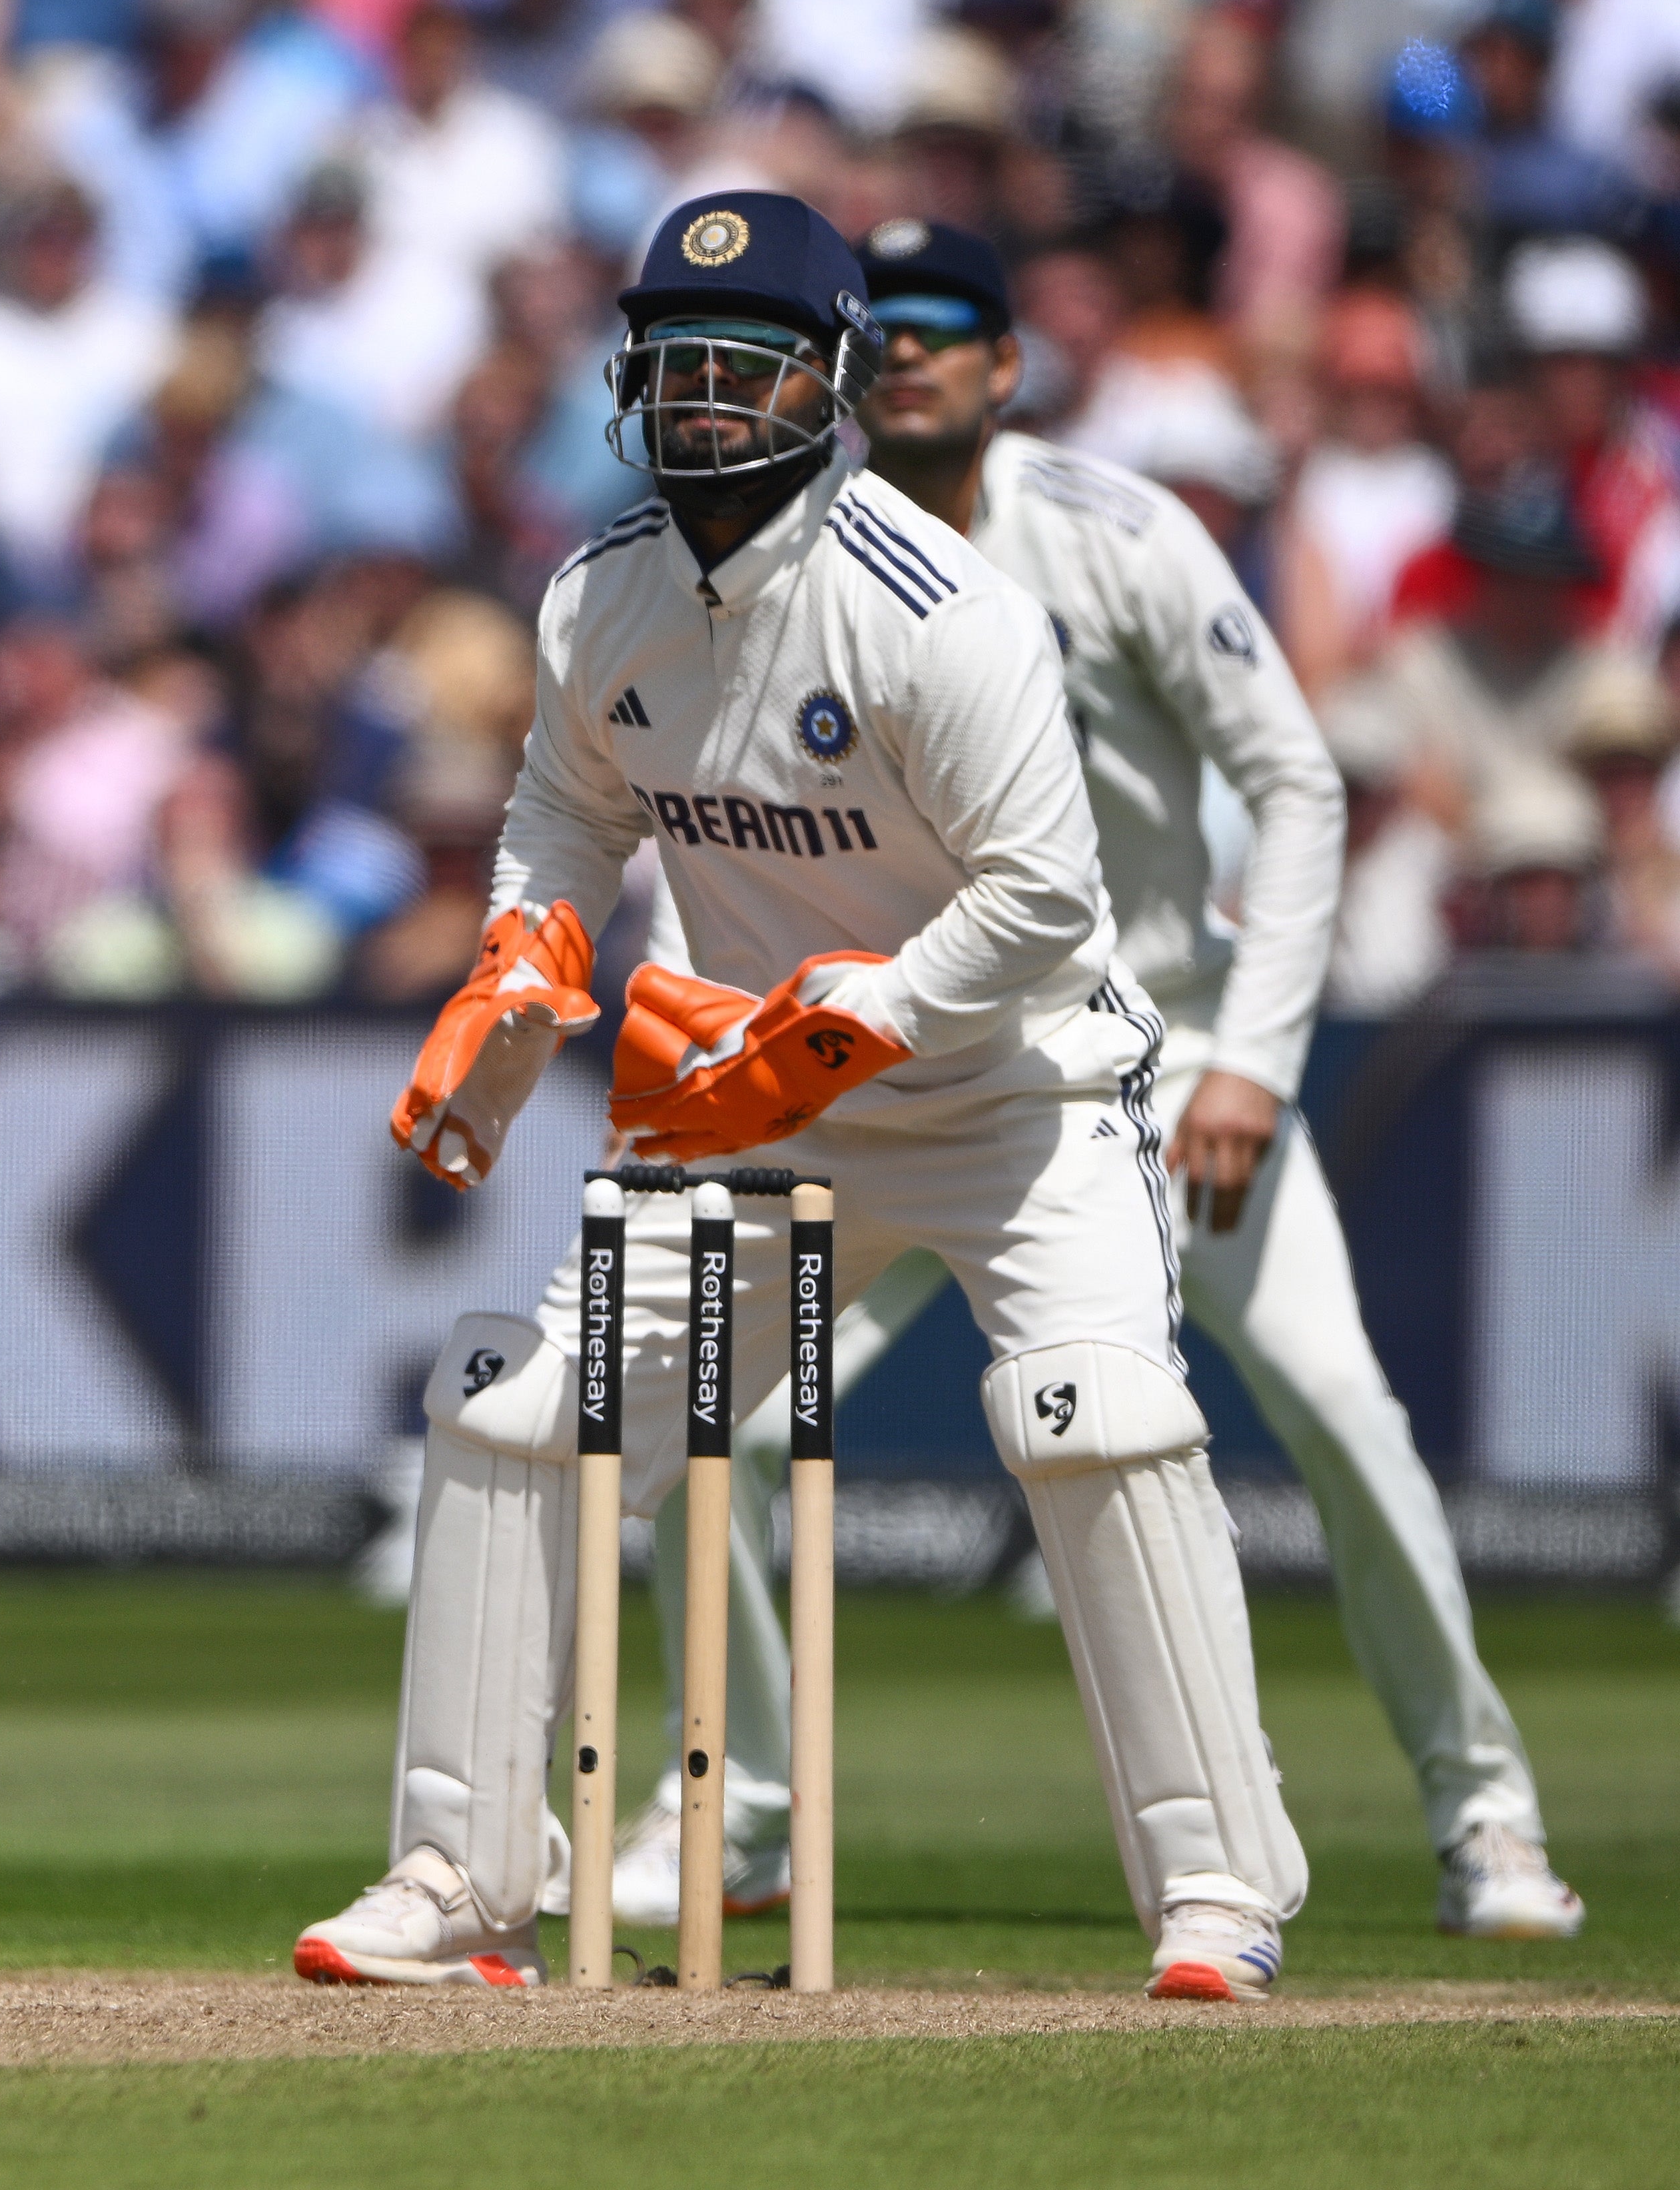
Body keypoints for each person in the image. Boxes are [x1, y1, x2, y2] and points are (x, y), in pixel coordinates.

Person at [334, 191, 1306, 2002]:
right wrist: (526, 958)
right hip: (754, 1112)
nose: (706, 398)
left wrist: (859, 1022)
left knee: (1095, 1422)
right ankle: (465, 1879)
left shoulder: (945, 615)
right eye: (679, 362)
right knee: (513, 1407)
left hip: (1016, 1101)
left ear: (833, 383)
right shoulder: (600, 595)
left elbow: (1048, 904)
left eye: (749, 365)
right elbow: (565, 809)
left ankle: (1219, 1890)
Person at [620, 224, 1582, 1945]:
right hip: (885, 1062)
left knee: (1340, 1410)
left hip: (1146, 1047)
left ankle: (1485, 1820)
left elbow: (1298, 785)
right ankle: (740, 1809)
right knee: (730, 1429)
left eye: (951, 326)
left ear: (1007, 365)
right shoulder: (774, 548)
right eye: (888, 328)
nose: (915, 352)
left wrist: (1254, 1064)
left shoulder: (1120, 533)